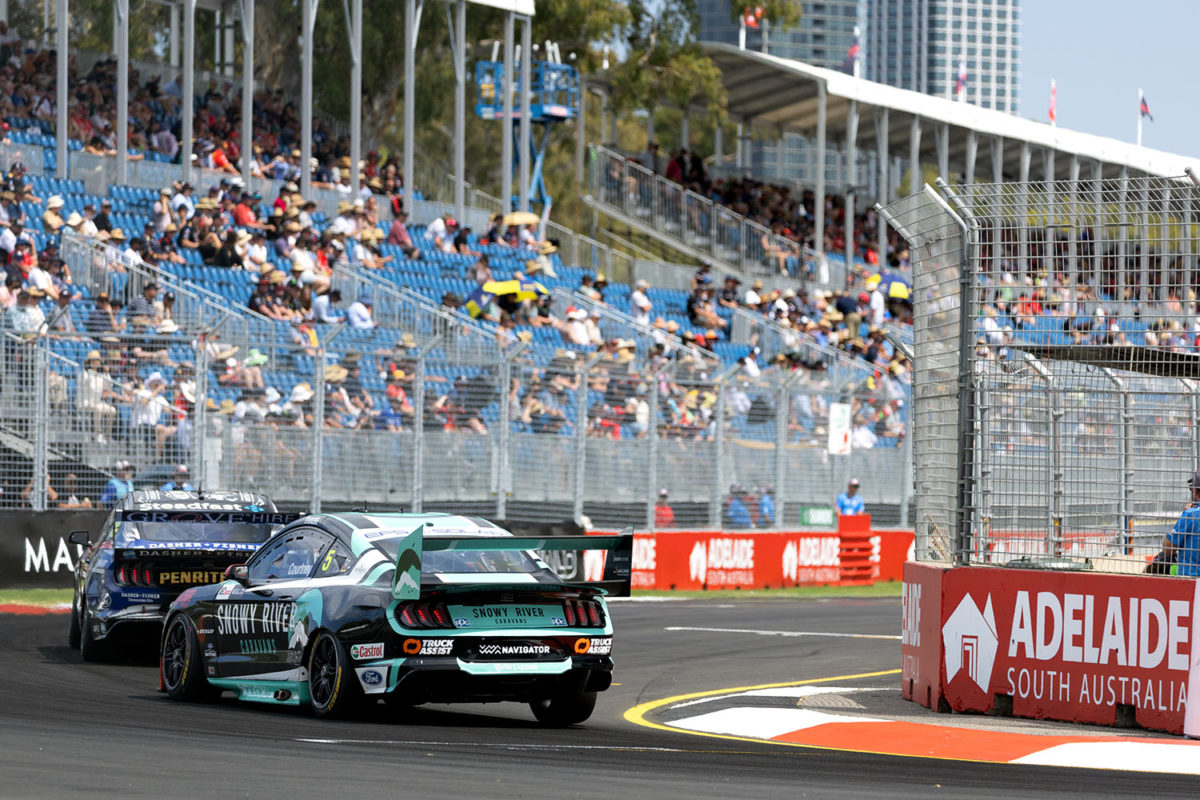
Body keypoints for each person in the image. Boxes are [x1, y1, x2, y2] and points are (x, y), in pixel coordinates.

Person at [1161, 468, 1200, 576]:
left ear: (1195, 491)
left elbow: (1167, 548)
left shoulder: (1191, 515)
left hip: (1191, 579)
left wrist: (1183, 517)